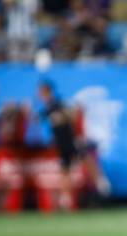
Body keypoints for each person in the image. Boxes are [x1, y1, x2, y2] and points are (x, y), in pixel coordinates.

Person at [38, 81, 77, 210]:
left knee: (68, 169)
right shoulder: (48, 106)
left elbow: (71, 114)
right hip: (61, 143)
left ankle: (66, 199)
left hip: (67, 142)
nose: (38, 94)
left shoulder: (56, 103)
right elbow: (38, 118)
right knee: (65, 170)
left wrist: (61, 117)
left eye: (41, 91)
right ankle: (65, 198)